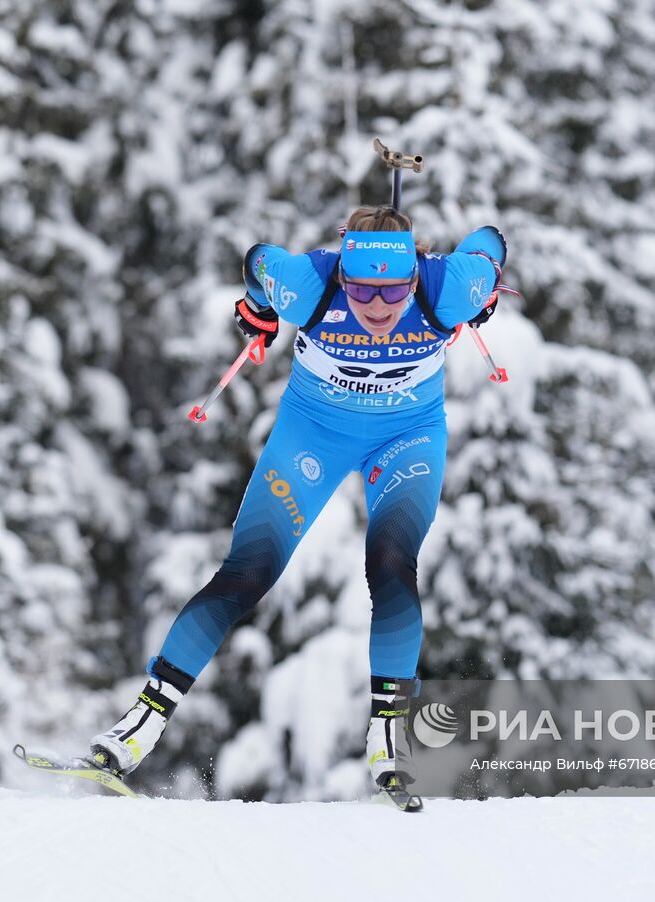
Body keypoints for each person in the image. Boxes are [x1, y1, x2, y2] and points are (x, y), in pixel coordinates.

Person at [89, 205, 507, 795]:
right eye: (362, 288)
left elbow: (490, 241)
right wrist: (259, 307)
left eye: (394, 289)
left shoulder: (450, 288)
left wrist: (486, 296)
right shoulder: (309, 285)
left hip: (406, 436)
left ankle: (388, 733)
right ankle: (139, 726)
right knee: (247, 572)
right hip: (312, 434)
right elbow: (259, 260)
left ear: (416, 274)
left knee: (391, 564)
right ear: (343, 274)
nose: (379, 306)